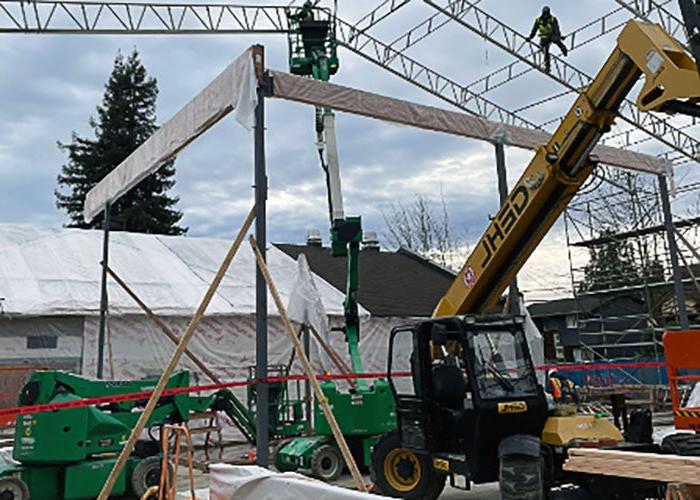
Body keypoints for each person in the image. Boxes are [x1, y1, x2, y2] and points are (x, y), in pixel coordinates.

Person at [528, 6, 568, 73]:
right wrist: (530, 37)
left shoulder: (552, 19)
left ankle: (563, 49)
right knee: (545, 51)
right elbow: (534, 30)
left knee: (556, 40)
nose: (545, 16)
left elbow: (556, 29)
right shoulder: (538, 20)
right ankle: (547, 67)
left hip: (551, 35)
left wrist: (559, 36)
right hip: (544, 37)